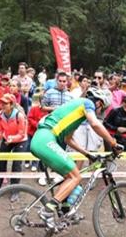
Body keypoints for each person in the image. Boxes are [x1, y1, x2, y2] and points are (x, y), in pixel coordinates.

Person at [30, 87, 120, 227]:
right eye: (101, 108)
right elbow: (95, 124)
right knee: (76, 176)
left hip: (42, 140)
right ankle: (47, 211)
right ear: (98, 103)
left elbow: (68, 139)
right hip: (45, 139)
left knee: (70, 177)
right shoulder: (86, 103)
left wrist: (87, 154)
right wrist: (113, 142)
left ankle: (65, 210)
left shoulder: (76, 112)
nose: (98, 111)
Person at [0, 94, 27, 200]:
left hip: (20, 140)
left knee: (16, 164)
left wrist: (12, 139)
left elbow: (22, 134)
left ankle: (15, 190)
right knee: (0, 161)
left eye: (5, 103)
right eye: (1, 103)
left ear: (11, 105)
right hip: (8, 139)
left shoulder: (19, 116)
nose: (2, 105)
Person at [103, 94, 126, 186]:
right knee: (110, 157)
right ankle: (109, 181)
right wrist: (116, 129)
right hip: (110, 136)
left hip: (122, 139)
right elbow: (105, 122)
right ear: (123, 102)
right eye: (125, 102)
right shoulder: (115, 111)